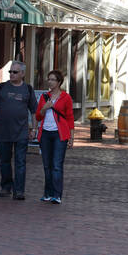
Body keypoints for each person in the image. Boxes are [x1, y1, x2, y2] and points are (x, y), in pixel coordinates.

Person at [0, 61, 37, 200]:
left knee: (20, 161)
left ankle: (19, 190)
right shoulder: (1, 87)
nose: (11, 74)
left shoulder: (28, 89)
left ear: (22, 73)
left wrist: (34, 129)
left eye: (15, 72)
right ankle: (6, 187)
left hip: (21, 131)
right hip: (3, 131)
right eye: (10, 72)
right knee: (4, 160)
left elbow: (34, 111)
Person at [35, 69, 74, 204]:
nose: (50, 82)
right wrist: (45, 107)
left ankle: (56, 195)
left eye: (53, 80)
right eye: (49, 79)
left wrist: (71, 137)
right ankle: (47, 193)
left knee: (57, 165)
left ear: (59, 82)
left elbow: (70, 117)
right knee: (47, 165)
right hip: (45, 133)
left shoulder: (66, 97)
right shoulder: (44, 97)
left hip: (59, 134)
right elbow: (38, 116)